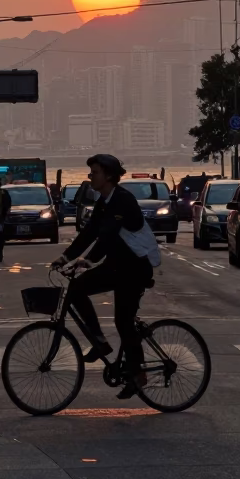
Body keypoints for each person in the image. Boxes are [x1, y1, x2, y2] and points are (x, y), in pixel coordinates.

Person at [51, 154, 154, 401]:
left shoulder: (122, 200)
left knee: (123, 322)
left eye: (94, 173)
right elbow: (90, 232)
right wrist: (65, 257)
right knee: (76, 288)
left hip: (134, 270)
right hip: (117, 266)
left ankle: (137, 374)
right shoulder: (104, 202)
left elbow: (107, 236)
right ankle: (100, 341)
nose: (90, 177)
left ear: (108, 175)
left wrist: (90, 259)